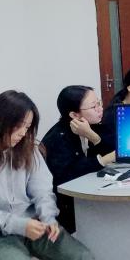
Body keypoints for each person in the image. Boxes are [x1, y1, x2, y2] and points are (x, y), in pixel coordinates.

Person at [0, 91, 130, 260]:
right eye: (19, 126)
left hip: (36, 225)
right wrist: (20, 225)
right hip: (4, 235)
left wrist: (49, 218)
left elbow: (43, 191)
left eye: (28, 127)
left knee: (81, 257)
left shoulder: (28, 150)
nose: (23, 133)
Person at [40, 86, 115, 232]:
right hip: (66, 207)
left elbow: (112, 148)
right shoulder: (57, 138)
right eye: (94, 106)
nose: (100, 109)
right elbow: (68, 175)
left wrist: (92, 136)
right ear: (74, 115)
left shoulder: (92, 124)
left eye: (99, 103)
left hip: (89, 192)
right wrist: (103, 160)